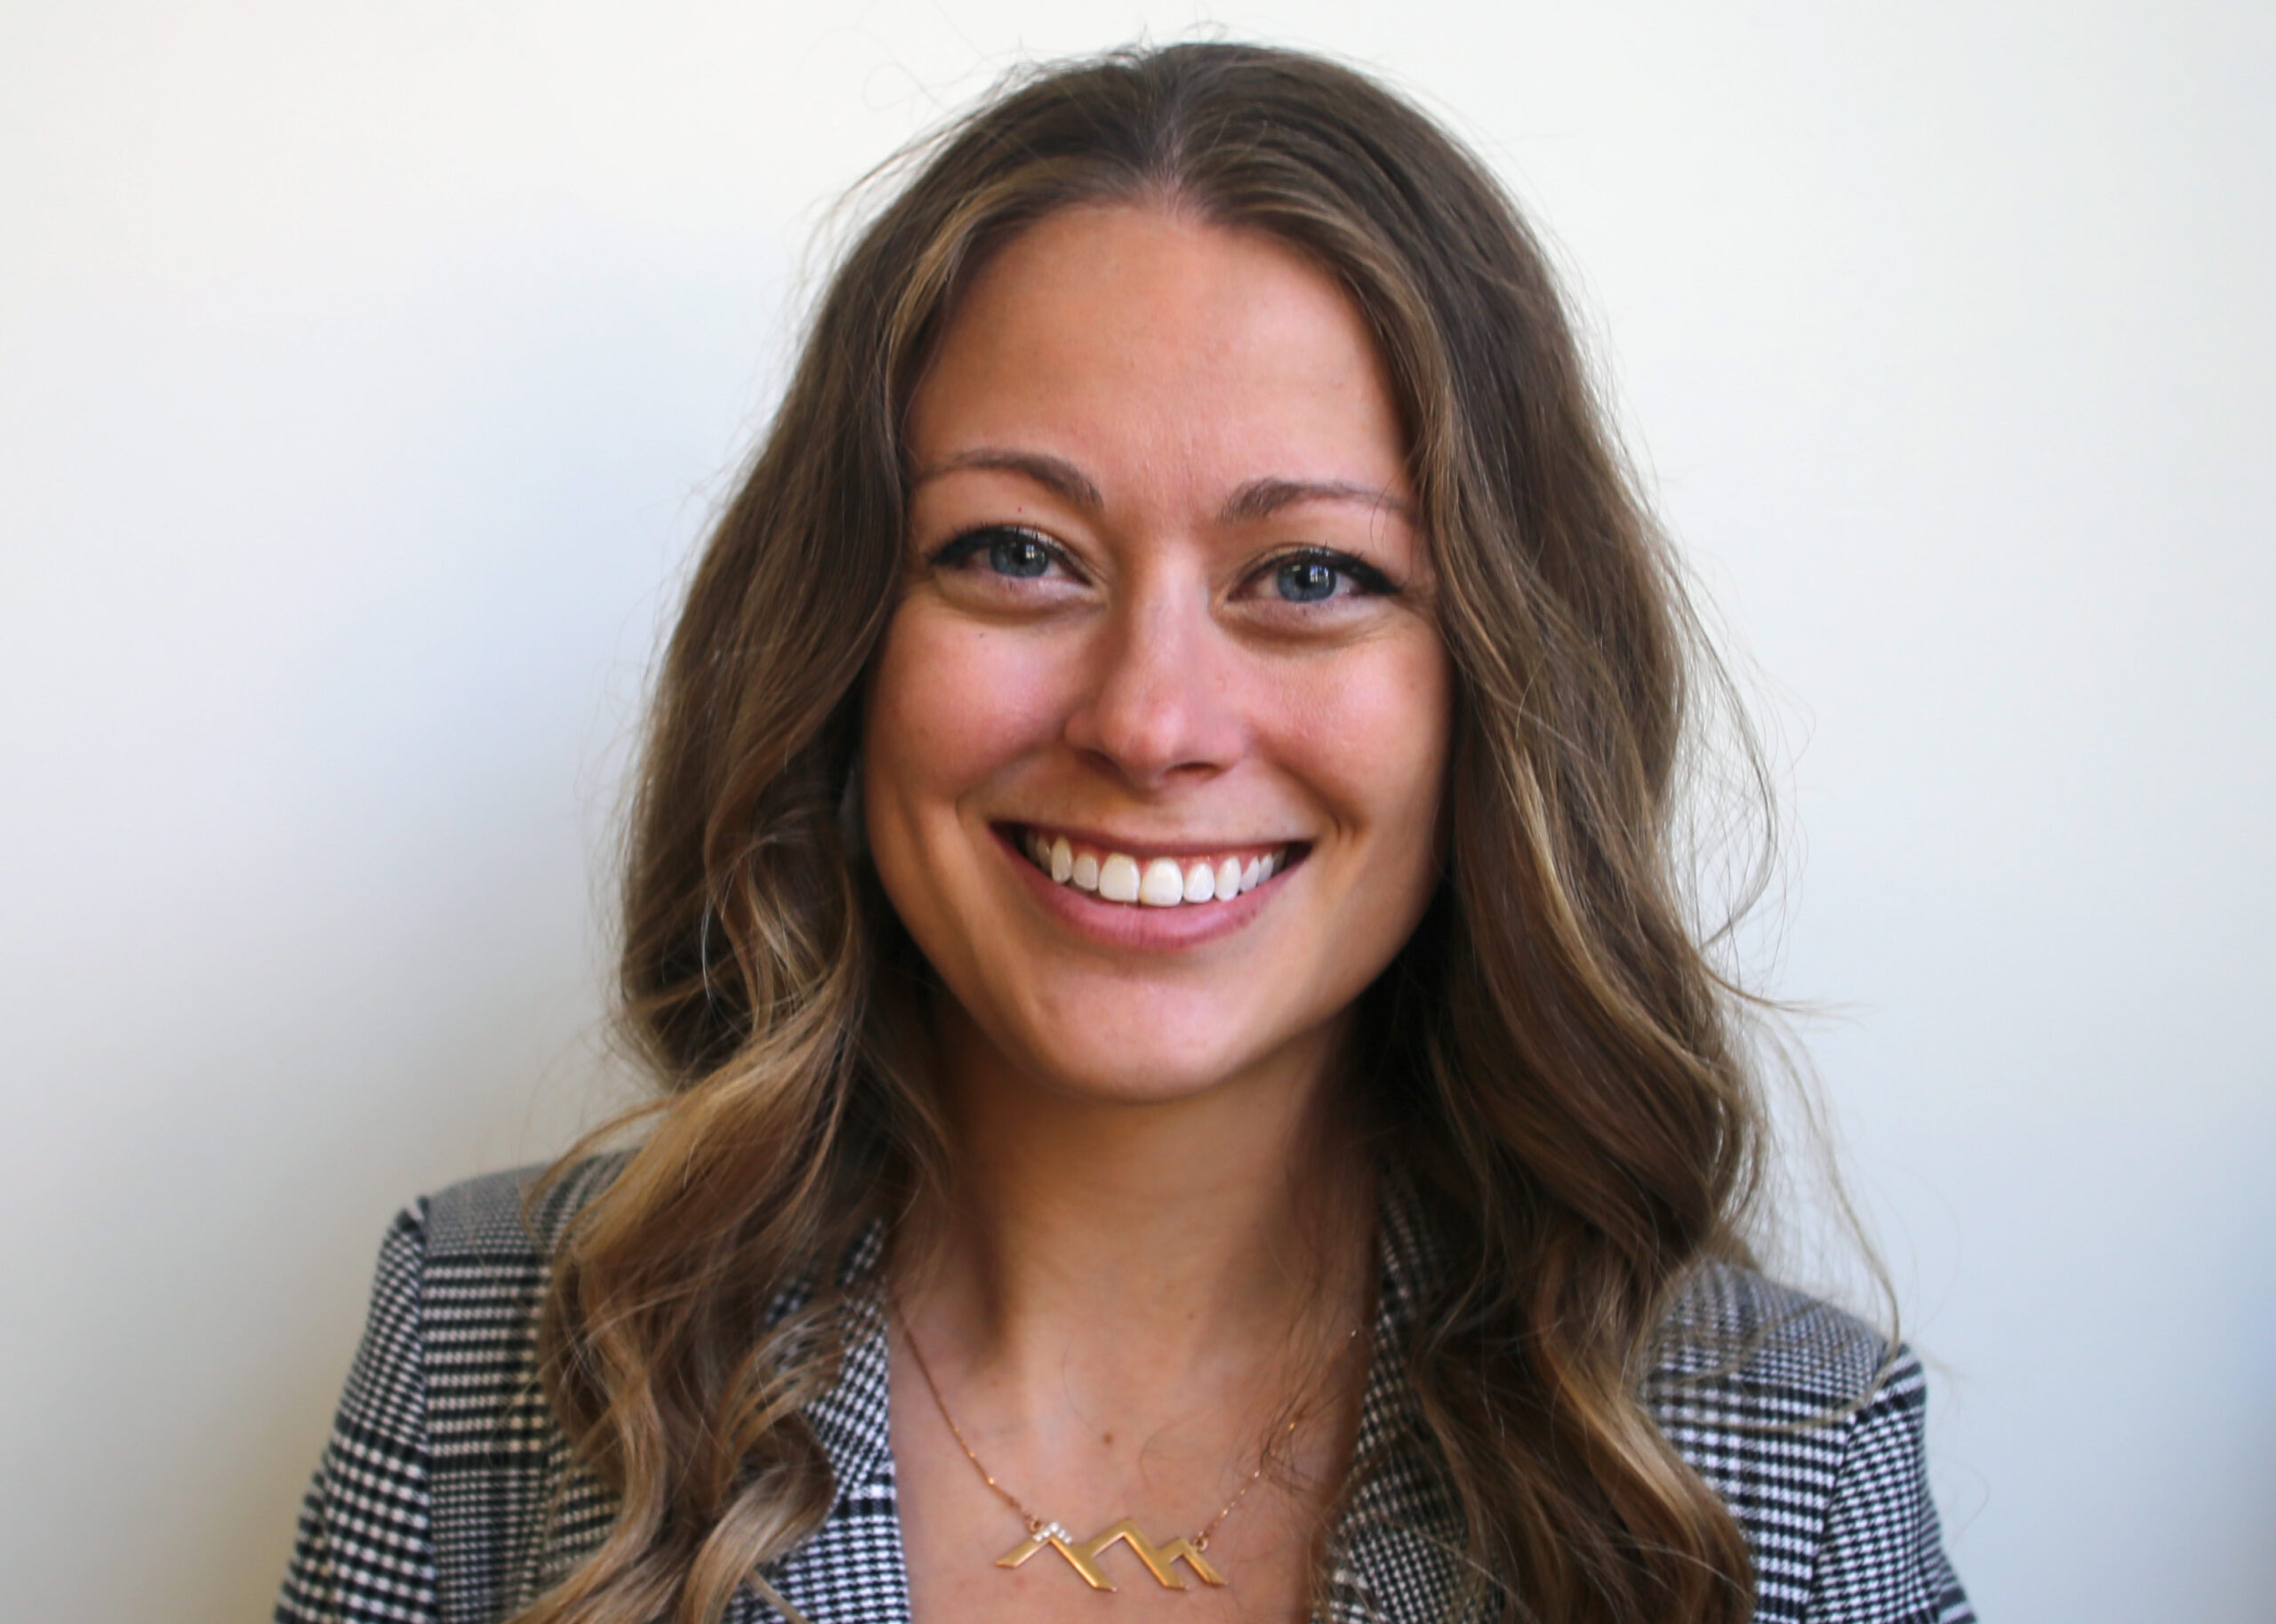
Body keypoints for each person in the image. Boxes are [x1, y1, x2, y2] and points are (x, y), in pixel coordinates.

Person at [276, 42, 1971, 1624]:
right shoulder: (486, 1345)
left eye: (1312, 576)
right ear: (840, 640)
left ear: (1502, 697)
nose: (1151, 723)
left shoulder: (1777, 1462)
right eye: (1019, 552)